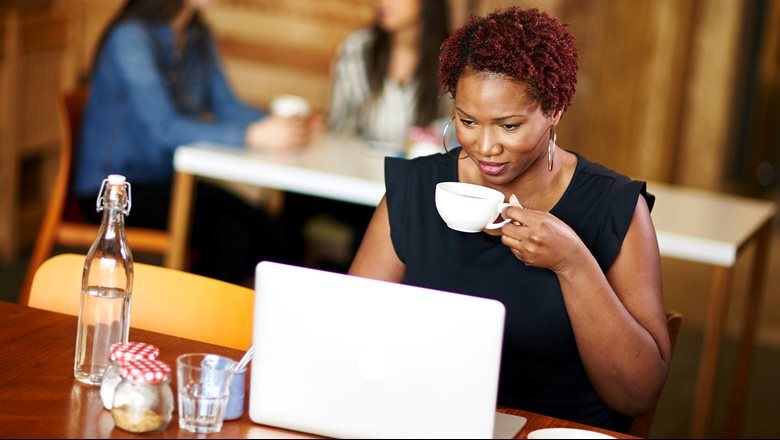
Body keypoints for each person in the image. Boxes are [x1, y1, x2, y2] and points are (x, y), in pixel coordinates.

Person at [349, 7, 671, 433]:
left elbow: (637, 394)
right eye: (467, 121)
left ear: (554, 109)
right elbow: (349, 331)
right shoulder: (414, 190)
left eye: (509, 125)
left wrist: (572, 263)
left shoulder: (613, 206)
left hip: (550, 431)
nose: (484, 147)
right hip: (426, 421)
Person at [74, 0, 314, 282]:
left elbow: (226, 105)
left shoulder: (198, 35)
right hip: (116, 191)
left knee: (271, 232)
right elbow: (164, 128)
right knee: (233, 234)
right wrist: (253, 134)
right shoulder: (130, 38)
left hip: (166, 179)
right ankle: (195, 321)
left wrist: (283, 124)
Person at [282, 0, 450, 271]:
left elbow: (450, 134)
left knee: (383, 222)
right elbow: (340, 126)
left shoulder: (450, 59)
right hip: (351, 181)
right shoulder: (358, 48)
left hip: (406, 189)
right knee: (292, 199)